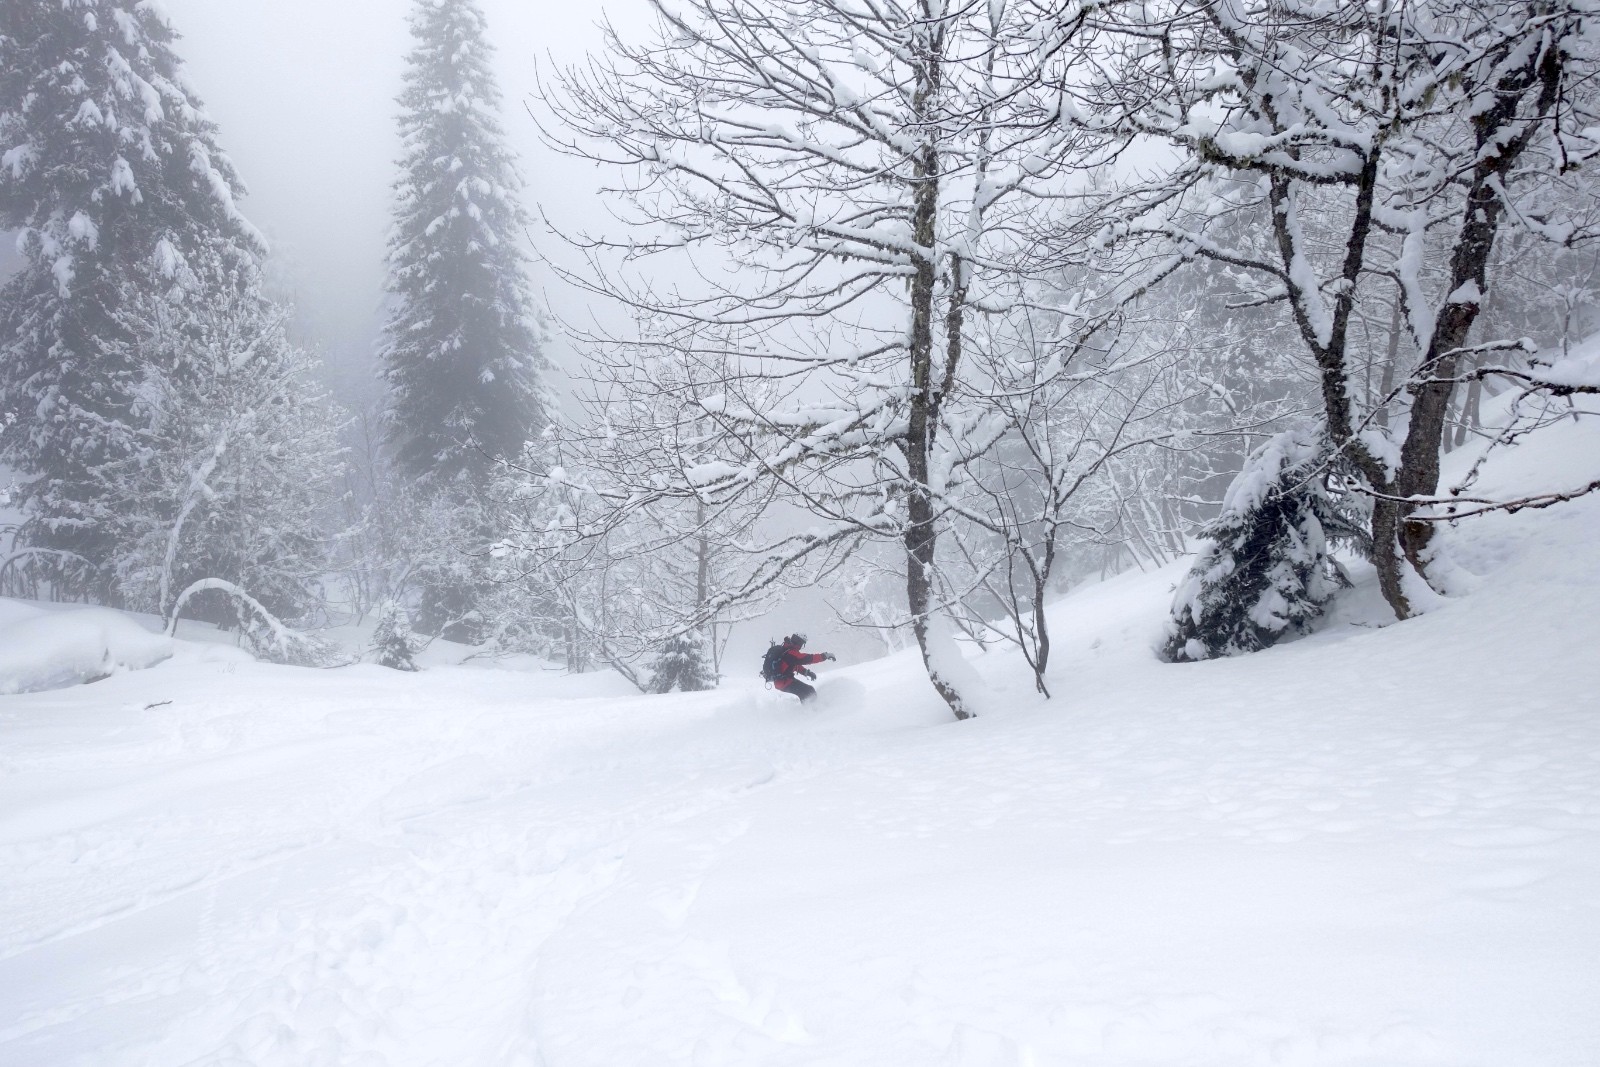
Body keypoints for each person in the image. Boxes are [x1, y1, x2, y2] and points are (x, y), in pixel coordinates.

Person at [764, 633, 835, 703]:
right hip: (784, 681)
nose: (801, 646)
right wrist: (825, 656)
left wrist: (807, 672)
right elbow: (809, 658)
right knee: (809, 692)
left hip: (782, 681)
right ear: (799, 642)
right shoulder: (791, 653)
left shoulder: (786, 650)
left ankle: (809, 710)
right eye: (802, 644)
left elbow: (793, 666)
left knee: (806, 692)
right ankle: (811, 711)